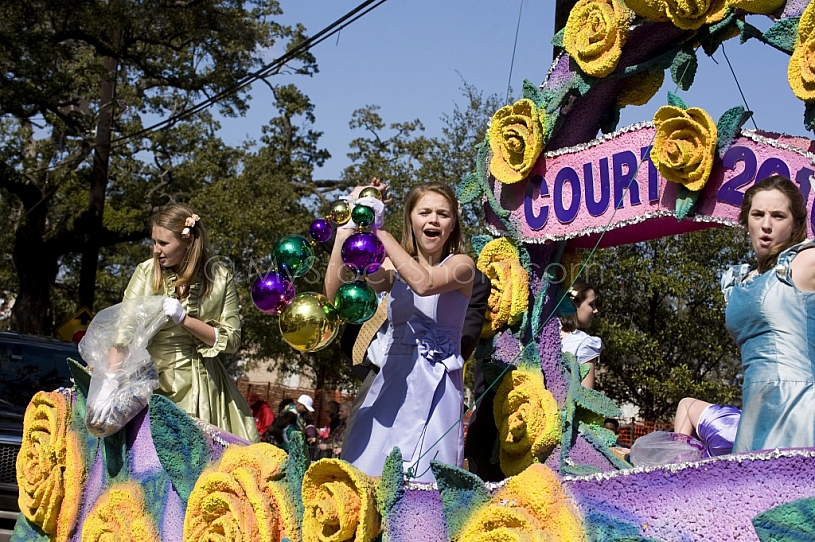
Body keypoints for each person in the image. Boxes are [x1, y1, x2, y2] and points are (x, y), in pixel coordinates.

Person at [326, 182, 476, 483]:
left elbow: (424, 283)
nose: (433, 219)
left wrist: (380, 231)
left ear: (452, 225)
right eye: (424, 212)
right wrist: (349, 228)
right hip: (392, 382)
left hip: (435, 389)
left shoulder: (462, 265)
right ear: (411, 220)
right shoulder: (392, 267)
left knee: (422, 481)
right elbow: (333, 295)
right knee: (364, 475)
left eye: (442, 214)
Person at [118, 203, 258, 442]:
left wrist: (185, 320)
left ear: (188, 242)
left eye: (163, 244)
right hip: (149, 380)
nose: (155, 250)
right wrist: (112, 377)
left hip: (200, 387)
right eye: (153, 242)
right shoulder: (146, 271)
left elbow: (233, 340)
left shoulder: (219, 278)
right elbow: (124, 330)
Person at [722, 175, 815, 453]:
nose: (766, 225)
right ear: (746, 220)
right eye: (758, 214)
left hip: (799, 409)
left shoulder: (805, 262)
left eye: (778, 216)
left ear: (796, 224)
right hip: (755, 411)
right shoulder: (740, 280)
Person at [559, 278, 602, 389]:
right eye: (591, 304)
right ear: (573, 304)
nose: (595, 310)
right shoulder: (584, 343)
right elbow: (585, 395)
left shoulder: (542, 333)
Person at [673, 398, 740, 458]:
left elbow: (686, 404)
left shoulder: (720, 427)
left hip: (726, 433)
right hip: (731, 432)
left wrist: (681, 457)